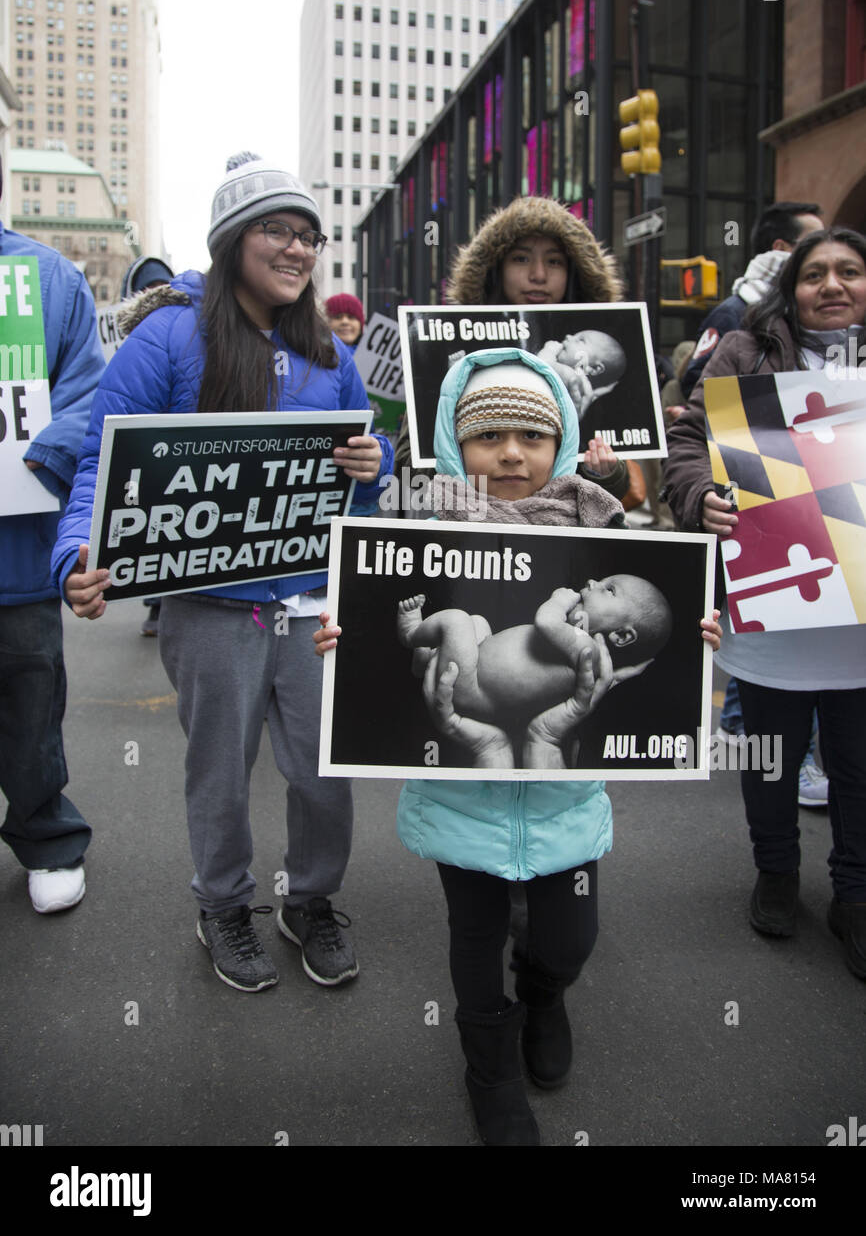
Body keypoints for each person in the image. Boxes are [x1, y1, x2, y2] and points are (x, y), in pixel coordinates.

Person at [316, 347, 721, 1145]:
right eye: (488, 436)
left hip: (561, 786)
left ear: (562, 440)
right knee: (475, 937)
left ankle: (546, 993)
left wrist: (699, 640)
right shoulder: (418, 521)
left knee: (570, 938)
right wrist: (349, 638)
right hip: (464, 787)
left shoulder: (605, 534)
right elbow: (371, 627)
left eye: (532, 437)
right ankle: (489, 1066)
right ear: (454, 441)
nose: (510, 454)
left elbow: (644, 649)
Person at [51, 154, 394, 992]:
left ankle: (309, 901)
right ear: (234, 238)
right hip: (210, 609)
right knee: (220, 773)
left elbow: (370, 467)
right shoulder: (168, 338)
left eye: (309, 236)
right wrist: (75, 556)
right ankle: (225, 907)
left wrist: (371, 460)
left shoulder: (325, 348)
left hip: (313, 604)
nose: (298, 249)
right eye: (278, 229)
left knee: (322, 771)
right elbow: (105, 462)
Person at [663, 227, 866, 980]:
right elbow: (686, 442)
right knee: (771, 756)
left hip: (862, 622)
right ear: (792, 288)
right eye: (816, 274)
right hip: (774, 601)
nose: (834, 286)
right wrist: (701, 498)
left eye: (850, 271)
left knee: (857, 765)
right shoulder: (743, 353)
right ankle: (777, 872)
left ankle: (856, 893)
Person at [0, 187, 105, 913]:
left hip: (17, 551)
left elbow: (89, 394)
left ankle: (46, 836)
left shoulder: (50, 280)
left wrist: (41, 455)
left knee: (31, 704)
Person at [394, 196, 631, 501]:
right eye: (521, 259)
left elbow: (613, 492)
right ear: (496, 267)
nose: (539, 275)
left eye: (554, 261)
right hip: (469, 534)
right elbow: (408, 470)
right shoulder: (447, 340)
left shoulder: (591, 361)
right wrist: (463, 463)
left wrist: (607, 472)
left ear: (573, 271)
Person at [396, 575, 671, 727]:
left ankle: (412, 635)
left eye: (609, 590)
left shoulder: (586, 647)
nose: (591, 582)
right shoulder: (589, 656)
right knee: (476, 622)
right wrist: (627, 670)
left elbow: (545, 621)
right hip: (476, 670)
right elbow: (610, 679)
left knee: (456, 620)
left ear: (621, 635)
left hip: (473, 690)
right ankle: (426, 659)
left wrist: (558, 600)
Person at [680, 201, 823, 398]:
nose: (823, 250)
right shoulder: (733, 312)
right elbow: (696, 382)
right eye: (812, 243)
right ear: (781, 247)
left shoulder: (817, 311)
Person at [118, 254, 175, 637]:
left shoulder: (185, 336)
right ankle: (155, 601)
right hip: (145, 459)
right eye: (147, 288)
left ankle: (163, 598)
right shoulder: (134, 350)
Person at [538, 329, 626, 420]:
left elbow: (541, 364)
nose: (568, 336)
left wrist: (549, 350)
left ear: (594, 368)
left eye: (581, 340)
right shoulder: (583, 391)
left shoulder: (570, 375)